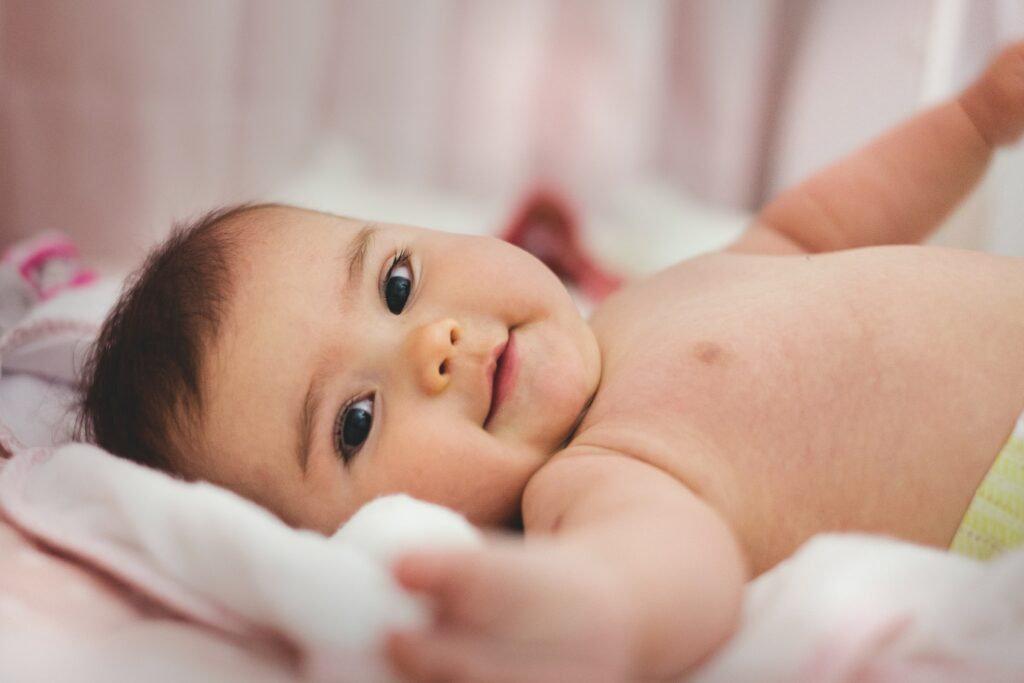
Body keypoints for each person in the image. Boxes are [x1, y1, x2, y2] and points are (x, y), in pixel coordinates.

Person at [78, 42, 1024, 681]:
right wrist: (595, 609)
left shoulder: (640, 304)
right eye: (354, 422)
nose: (429, 347)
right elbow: (672, 566)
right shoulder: (592, 475)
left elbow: (814, 226)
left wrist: (975, 123)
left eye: (398, 283)